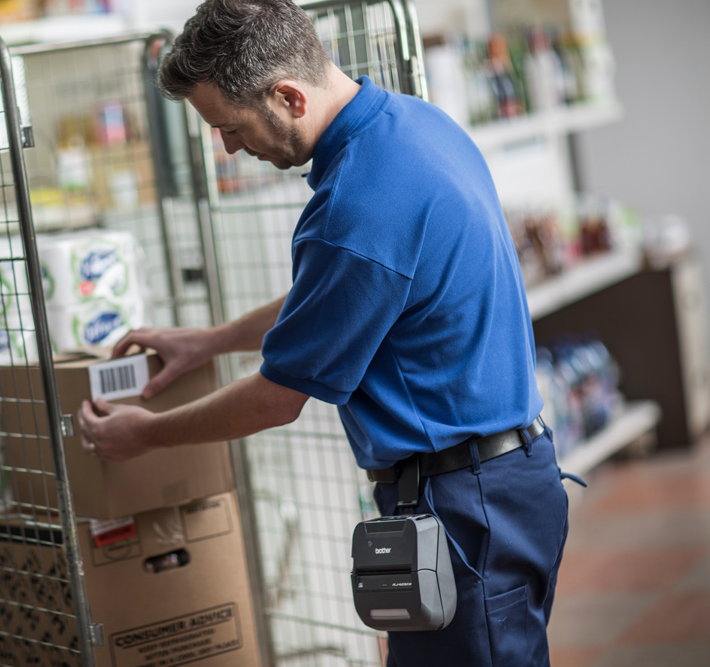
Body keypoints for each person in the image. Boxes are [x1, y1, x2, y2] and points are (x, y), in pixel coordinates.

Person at [77, 1, 572, 665]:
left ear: (286, 95)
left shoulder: (354, 207)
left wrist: (145, 433)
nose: (228, 146)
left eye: (229, 126)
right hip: (507, 481)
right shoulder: (413, 125)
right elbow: (344, 294)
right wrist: (210, 341)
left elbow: (277, 397)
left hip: (465, 506)